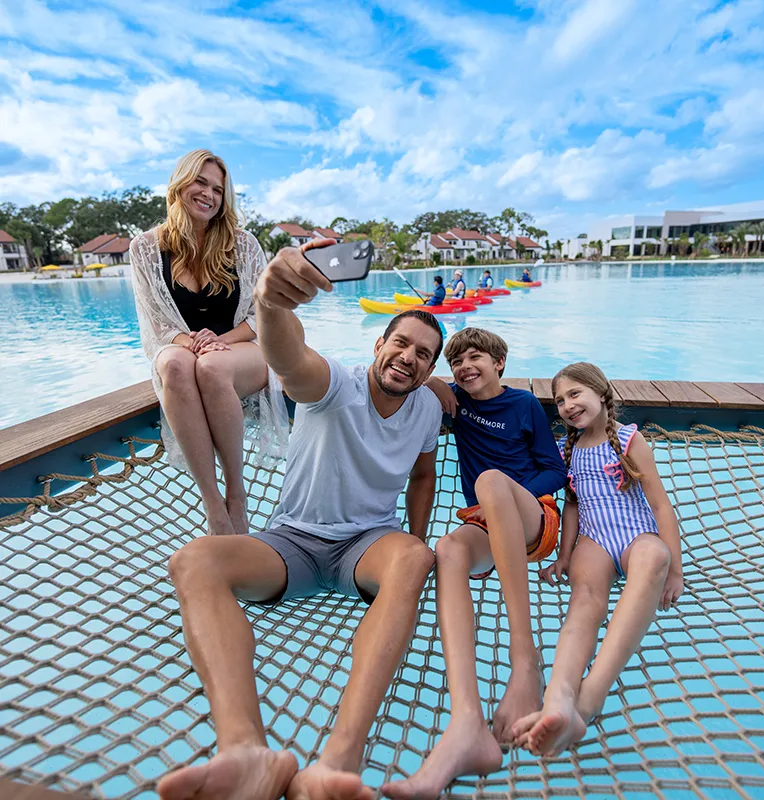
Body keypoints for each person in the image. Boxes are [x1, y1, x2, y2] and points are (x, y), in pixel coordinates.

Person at [156, 240, 446, 800]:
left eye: (424, 355)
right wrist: (269, 303)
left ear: (431, 368)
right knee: (193, 560)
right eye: (402, 343)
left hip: (367, 543)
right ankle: (246, 751)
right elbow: (289, 360)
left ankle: (338, 762)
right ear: (380, 344)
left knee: (417, 557)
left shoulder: (429, 406)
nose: (410, 357)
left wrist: (412, 537)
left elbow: (424, 475)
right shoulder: (335, 386)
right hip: (293, 540)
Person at [384, 328, 566, 800]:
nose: (466, 366)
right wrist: (437, 384)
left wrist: (511, 493)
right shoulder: (457, 407)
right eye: (457, 360)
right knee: (448, 549)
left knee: (489, 478)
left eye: (476, 357)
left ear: (499, 363)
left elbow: (554, 469)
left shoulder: (524, 405)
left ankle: (525, 663)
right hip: (483, 523)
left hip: (533, 517)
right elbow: (413, 379)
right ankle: (466, 722)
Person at [511, 362, 684, 757]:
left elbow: (659, 505)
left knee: (654, 556)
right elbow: (571, 507)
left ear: (602, 393)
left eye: (575, 394)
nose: (567, 405)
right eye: (559, 400)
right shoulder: (564, 450)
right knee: (584, 603)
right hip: (594, 539)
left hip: (634, 533)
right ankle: (558, 697)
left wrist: (675, 569)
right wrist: (564, 556)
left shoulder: (628, 440)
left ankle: (587, 700)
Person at [130, 149, 288, 537]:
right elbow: (155, 324)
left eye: (218, 189)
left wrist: (218, 341)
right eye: (200, 182)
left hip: (242, 347)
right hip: (183, 349)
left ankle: (236, 493)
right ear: (180, 184)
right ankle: (212, 502)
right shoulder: (145, 248)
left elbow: (261, 316)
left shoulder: (244, 244)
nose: (209, 194)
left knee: (213, 365)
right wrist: (193, 343)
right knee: (173, 365)